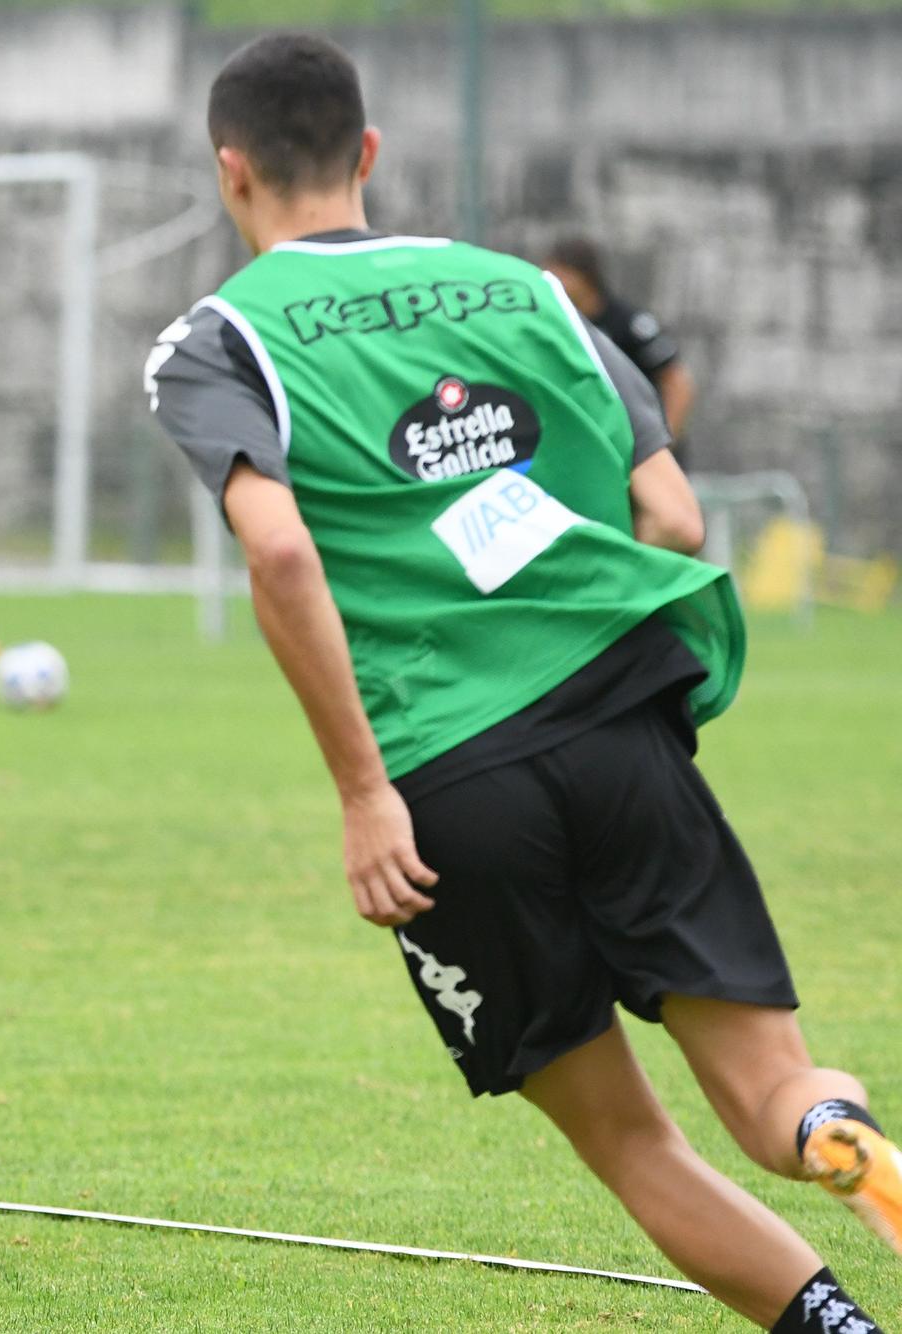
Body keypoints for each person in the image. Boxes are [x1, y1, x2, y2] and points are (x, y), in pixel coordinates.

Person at [147, 34, 896, 1333]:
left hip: (447, 783)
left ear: (232, 173)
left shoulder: (217, 338)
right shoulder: (531, 294)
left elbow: (276, 547)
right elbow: (671, 517)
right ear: (368, 152)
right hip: (620, 728)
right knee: (773, 1091)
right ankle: (838, 1130)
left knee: (630, 1139)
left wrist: (362, 793)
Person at [545, 235, 697, 459]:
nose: (552, 282)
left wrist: (662, 446)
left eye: (560, 274)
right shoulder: (562, 325)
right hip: (602, 451)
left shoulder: (629, 324)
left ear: (584, 277)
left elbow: (678, 383)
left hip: (644, 450)